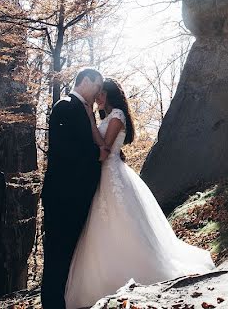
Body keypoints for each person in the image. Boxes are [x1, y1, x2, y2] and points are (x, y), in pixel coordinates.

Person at [65, 78, 215, 309]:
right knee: (104, 225)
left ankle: (134, 273)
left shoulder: (117, 116)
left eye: (101, 93)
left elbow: (104, 149)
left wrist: (89, 122)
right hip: (106, 175)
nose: (97, 97)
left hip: (112, 174)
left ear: (109, 95)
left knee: (122, 223)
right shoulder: (107, 117)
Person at [40, 68, 105, 309]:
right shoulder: (65, 106)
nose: (98, 91)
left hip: (75, 196)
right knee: (57, 253)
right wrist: (97, 154)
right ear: (85, 81)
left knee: (69, 254)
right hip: (63, 197)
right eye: (97, 85)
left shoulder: (82, 110)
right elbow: (66, 151)